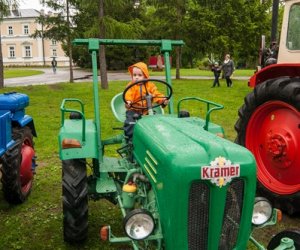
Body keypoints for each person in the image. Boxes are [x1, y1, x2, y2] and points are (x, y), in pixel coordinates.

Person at [124, 62, 169, 141]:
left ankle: (156, 137)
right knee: (130, 122)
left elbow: (156, 93)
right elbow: (128, 94)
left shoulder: (150, 85)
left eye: (139, 75)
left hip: (147, 109)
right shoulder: (131, 86)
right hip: (134, 110)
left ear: (145, 75)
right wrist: (128, 101)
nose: (136, 78)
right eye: (134, 75)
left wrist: (162, 100)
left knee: (156, 120)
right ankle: (130, 139)